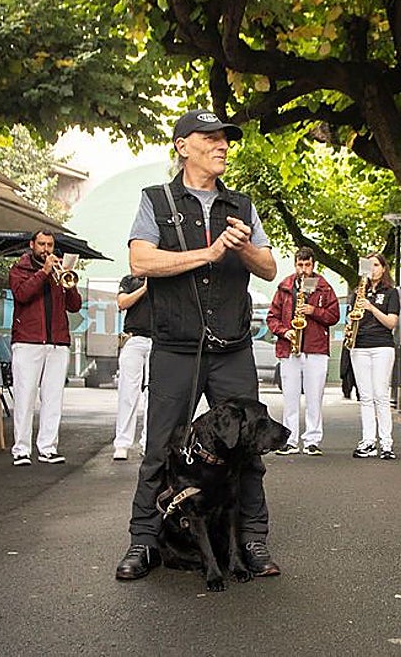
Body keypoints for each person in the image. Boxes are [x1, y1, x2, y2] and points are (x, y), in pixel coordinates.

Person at [115, 109, 278, 582]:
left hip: (233, 348)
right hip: (176, 347)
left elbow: (267, 268)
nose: (223, 145)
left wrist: (242, 247)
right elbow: (141, 258)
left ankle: (252, 540)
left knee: (248, 451)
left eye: (226, 139)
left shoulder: (242, 206)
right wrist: (207, 253)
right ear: (183, 146)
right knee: (160, 448)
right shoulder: (156, 200)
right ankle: (143, 541)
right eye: (211, 138)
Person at [7, 231, 83, 466]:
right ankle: (21, 448)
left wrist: (68, 283)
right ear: (32, 245)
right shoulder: (20, 269)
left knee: (53, 398)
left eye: (50, 244)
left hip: (57, 342)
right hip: (28, 341)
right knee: (25, 396)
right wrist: (44, 272)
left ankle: (48, 447)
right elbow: (22, 295)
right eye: (41, 244)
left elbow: (75, 306)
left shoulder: (59, 271)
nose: (46, 249)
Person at [266, 248, 340, 456]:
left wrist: (313, 311)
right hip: (290, 348)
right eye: (300, 265)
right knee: (289, 397)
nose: (303, 270)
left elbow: (334, 316)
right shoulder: (285, 286)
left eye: (307, 265)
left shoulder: (324, 287)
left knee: (314, 397)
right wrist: (285, 331)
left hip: (316, 349)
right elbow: (272, 317)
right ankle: (289, 440)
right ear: (295, 265)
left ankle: (312, 439)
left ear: (313, 265)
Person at [348, 252, 401, 461]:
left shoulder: (391, 293)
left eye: (376, 265)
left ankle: (386, 442)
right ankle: (368, 440)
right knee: (366, 397)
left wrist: (371, 308)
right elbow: (352, 318)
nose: (373, 269)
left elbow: (391, 323)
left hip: (382, 346)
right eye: (369, 266)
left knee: (381, 395)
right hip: (359, 346)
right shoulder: (358, 292)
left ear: (384, 268)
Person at [112, 274, 151, 461]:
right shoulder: (129, 280)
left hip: (159, 340)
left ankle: (148, 442)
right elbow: (122, 303)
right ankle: (122, 443)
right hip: (134, 337)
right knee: (128, 391)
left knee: (154, 393)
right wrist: (144, 288)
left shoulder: (166, 278)